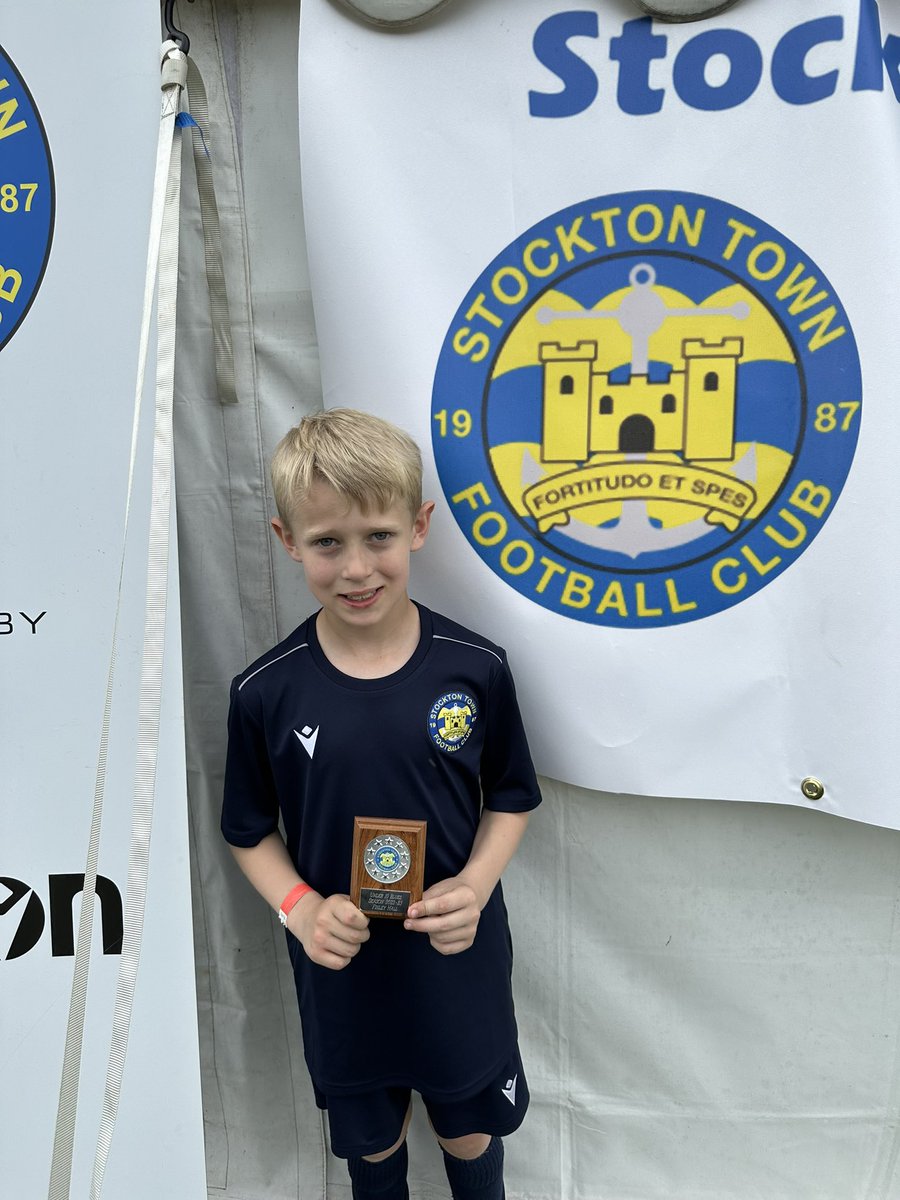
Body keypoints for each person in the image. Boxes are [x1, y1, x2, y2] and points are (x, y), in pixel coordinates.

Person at [221, 408, 541, 1200]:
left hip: (454, 960)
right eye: (328, 543)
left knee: (468, 1132)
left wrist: (474, 886)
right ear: (288, 540)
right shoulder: (266, 691)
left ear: (419, 527)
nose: (356, 568)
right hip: (344, 971)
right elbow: (248, 830)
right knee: (372, 1145)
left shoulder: (476, 669)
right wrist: (298, 907)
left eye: (378, 537)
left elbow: (510, 797)